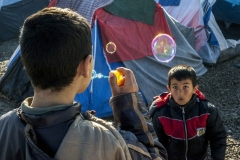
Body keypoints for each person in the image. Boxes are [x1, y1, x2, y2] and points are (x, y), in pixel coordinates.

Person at [0, 7, 167, 160]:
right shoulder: (105, 140)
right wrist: (129, 105)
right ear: (86, 67)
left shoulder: (4, 127)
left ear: (26, 63)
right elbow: (153, 156)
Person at [149, 64, 226, 160]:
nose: (180, 92)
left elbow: (218, 138)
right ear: (169, 89)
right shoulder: (160, 114)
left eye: (185, 87)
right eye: (175, 87)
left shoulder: (207, 111)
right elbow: (156, 143)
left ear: (194, 89)